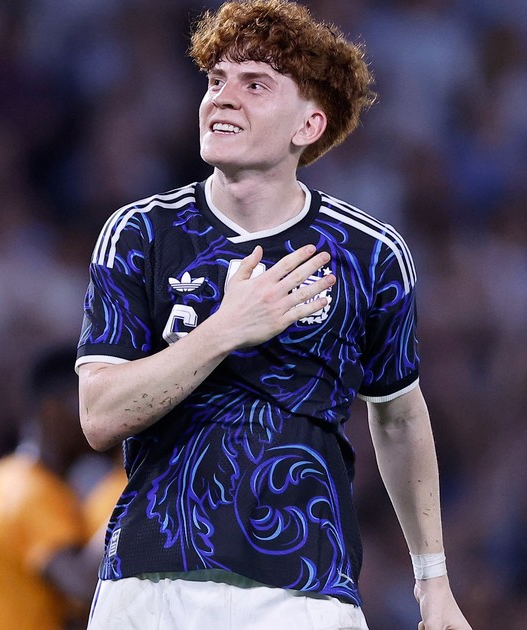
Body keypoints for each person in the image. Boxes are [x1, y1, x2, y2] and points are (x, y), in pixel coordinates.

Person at [75, 1, 473, 628]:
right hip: (152, 582)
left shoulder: (369, 254)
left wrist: (434, 583)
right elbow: (99, 416)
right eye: (216, 80)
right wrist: (225, 329)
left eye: (255, 84)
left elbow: (398, 418)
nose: (222, 98)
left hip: (305, 590)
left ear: (308, 124)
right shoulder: (141, 235)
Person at [0, 346, 101, 630]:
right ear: (53, 411)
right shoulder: (29, 490)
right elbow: (83, 584)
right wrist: (138, 498)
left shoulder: (9, 476)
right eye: (89, 401)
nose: (102, 413)